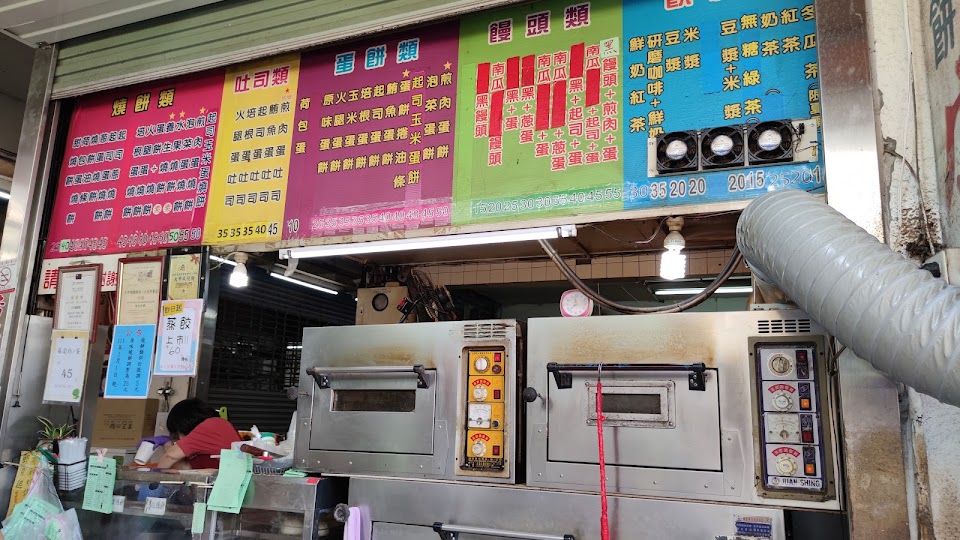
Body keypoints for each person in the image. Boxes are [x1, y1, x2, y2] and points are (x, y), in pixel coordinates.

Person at [156, 399, 241, 469]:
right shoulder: (200, 449)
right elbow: (185, 468)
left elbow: (170, 456)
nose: (179, 439)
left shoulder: (213, 425)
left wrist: (154, 478)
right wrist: (167, 444)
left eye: (179, 433)